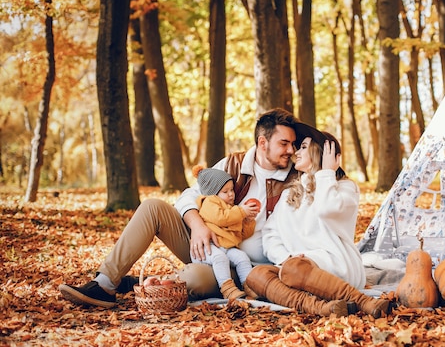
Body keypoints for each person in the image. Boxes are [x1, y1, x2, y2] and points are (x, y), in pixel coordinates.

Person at [59, 108, 301, 308]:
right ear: (262, 142)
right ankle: (105, 284)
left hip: (247, 268)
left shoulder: (296, 178)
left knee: (193, 280)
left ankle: (140, 283)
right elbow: (188, 196)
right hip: (207, 248)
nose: (291, 150)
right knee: (153, 207)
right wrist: (197, 225)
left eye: (293, 144)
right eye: (284, 143)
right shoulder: (232, 164)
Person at [245, 130, 391, 318]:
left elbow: (326, 209)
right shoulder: (289, 194)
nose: (296, 152)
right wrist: (286, 257)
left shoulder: (345, 187)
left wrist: (326, 173)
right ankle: (320, 308)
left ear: (322, 153)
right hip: (297, 268)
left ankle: (364, 301)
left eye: (303, 147)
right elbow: (270, 234)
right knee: (255, 275)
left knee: (293, 270)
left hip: (336, 263)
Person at [190, 165, 259, 299]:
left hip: (226, 247)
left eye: (232, 189)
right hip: (207, 247)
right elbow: (221, 218)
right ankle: (227, 289)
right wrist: (241, 211)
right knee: (219, 258)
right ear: (213, 192)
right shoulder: (209, 202)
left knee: (242, 257)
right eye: (225, 191)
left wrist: (248, 221)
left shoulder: (232, 209)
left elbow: (243, 234)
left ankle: (249, 285)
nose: (231, 194)